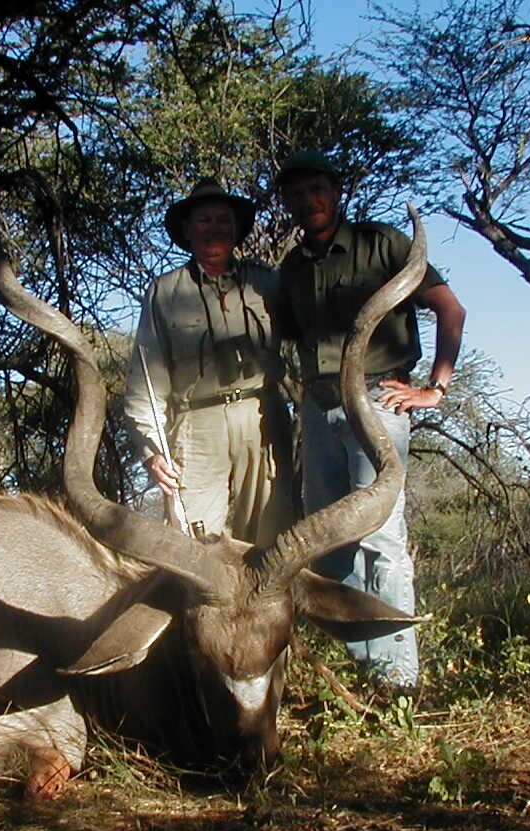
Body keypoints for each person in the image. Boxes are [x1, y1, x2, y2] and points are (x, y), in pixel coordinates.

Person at [275, 149, 466, 692]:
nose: (307, 200)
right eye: (295, 192)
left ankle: (401, 680)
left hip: (380, 402)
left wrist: (435, 388)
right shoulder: (291, 268)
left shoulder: (383, 243)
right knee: (328, 544)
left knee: (380, 539)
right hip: (316, 409)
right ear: (287, 202)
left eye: (316, 189)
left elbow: (451, 309)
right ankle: (365, 672)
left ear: (335, 193)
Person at [122, 178, 293, 546]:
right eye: (203, 220)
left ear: (235, 229)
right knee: (192, 549)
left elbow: (310, 343)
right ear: (187, 230)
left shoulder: (267, 283)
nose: (213, 228)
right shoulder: (164, 291)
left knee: (271, 545)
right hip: (196, 427)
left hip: (263, 419)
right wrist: (152, 451)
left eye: (222, 219)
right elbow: (145, 383)